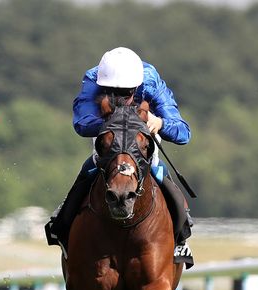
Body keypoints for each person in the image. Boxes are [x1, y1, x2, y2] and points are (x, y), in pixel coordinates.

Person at [45, 46, 193, 265]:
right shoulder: (93, 79)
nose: (120, 99)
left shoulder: (150, 79)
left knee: (161, 176)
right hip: (109, 141)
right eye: (112, 93)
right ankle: (62, 228)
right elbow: (82, 123)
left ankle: (181, 237)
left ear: (137, 86)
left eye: (126, 93)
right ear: (102, 85)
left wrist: (160, 122)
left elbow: (183, 133)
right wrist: (115, 123)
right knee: (88, 171)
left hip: (142, 145)